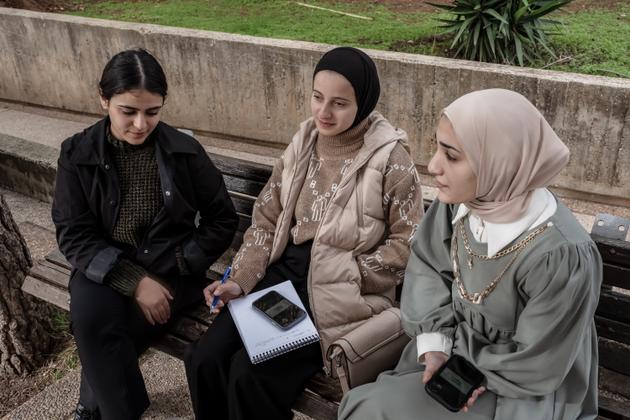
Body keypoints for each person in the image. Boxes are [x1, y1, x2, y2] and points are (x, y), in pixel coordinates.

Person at [184, 46, 423, 420]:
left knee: (250, 377)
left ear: (364, 102)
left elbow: (409, 242)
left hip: (335, 294)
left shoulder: (391, 159)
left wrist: (353, 275)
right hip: (282, 282)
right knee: (205, 359)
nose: (324, 112)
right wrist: (241, 279)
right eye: (317, 97)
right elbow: (266, 217)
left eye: (339, 103)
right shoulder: (304, 143)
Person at [338, 88, 602, 420]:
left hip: (518, 383)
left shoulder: (561, 254)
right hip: (448, 358)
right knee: (367, 407)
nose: (433, 165)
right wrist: (435, 343)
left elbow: (537, 361)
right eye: (437, 147)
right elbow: (428, 267)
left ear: (498, 162)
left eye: (452, 155)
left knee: (371, 411)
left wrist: (454, 350)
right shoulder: (461, 205)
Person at [51, 48, 239, 420]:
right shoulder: (77, 153)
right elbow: (73, 233)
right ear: (103, 99)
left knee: (112, 328)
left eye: (152, 112)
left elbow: (222, 220)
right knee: (90, 316)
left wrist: (182, 260)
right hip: (105, 268)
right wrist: (136, 282)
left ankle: (94, 407)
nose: (140, 124)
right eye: (128, 111)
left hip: (172, 271)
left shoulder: (185, 152)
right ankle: (114, 410)